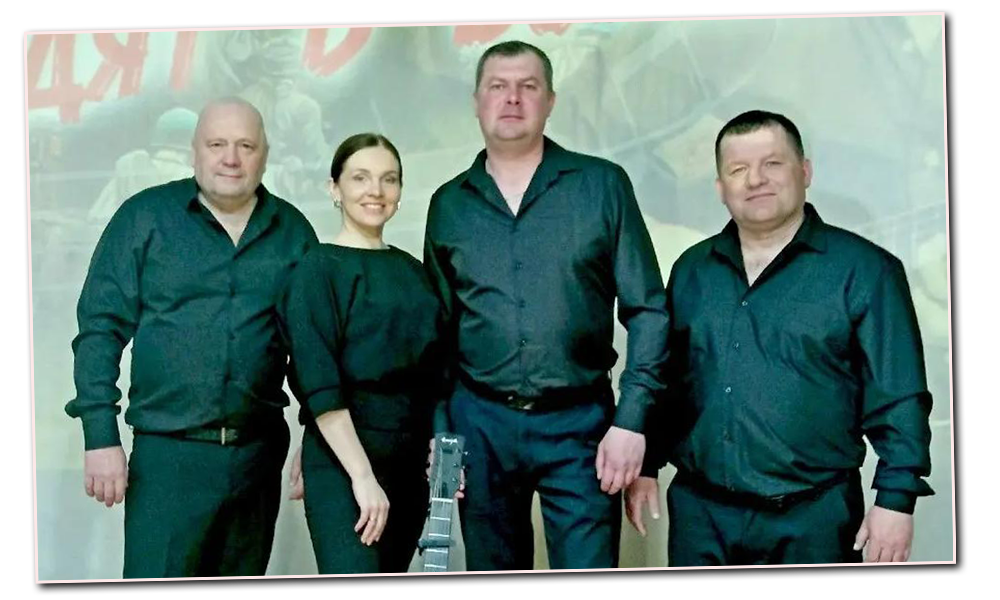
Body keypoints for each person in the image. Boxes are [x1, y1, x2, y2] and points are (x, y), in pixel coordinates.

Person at [625, 109, 934, 565]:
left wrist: (896, 499)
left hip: (815, 519)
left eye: (772, 163)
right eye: (738, 169)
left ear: (804, 172)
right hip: (701, 516)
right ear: (720, 188)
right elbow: (668, 380)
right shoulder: (691, 270)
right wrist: (646, 462)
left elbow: (899, 395)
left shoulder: (866, 271)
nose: (755, 179)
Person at [423, 40, 669, 571]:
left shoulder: (601, 185)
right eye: (498, 86)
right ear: (477, 101)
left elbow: (649, 310)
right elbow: (437, 333)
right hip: (479, 427)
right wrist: (443, 434)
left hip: (581, 427)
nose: (512, 98)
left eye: (528, 86)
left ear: (551, 100)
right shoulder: (448, 205)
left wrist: (632, 422)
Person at [65, 98, 318, 578]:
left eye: (246, 146)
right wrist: (99, 436)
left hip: (257, 459)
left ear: (265, 155)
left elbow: (313, 346)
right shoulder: (145, 217)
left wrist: (318, 432)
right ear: (194, 152)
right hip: (167, 458)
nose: (231, 158)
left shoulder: (293, 232)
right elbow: (100, 329)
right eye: (217, 144)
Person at [277, 134, 444, 574]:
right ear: (334, 188)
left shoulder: (415, 272)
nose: (376, 190)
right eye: (360, 178)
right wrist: (362, 476)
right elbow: (319, 381)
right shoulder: (316, 270)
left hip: (410, 466)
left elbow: (435, 374)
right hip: (345, 467)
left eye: (389, 179)